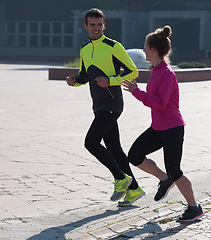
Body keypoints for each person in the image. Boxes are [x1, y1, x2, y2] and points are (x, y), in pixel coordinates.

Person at [122, 26, 204, 221]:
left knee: (176, 171)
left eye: (145, 47)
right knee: (134, 155)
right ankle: (164, 179)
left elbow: (160, 102)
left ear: (152, 50)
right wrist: (138, 92)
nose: (143, 51)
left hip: (173, 129)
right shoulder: (156, 70)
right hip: (158, 127)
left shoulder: (167, 74)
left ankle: (194, 207)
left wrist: (136, 91)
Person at [66, 8, 144, 207]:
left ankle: (120, 178)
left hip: (112, 103)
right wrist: (75, 80)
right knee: (115, 149)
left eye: (99, 24)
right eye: (92, 25)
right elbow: (85, 75)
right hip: (98, 105)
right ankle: (133, 189)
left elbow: (133, 72)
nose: (96, 28)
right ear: (86, 26)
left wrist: (111, 81)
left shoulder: (113, 46)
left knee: (91, 143)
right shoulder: (84, 49)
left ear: (104, 25)